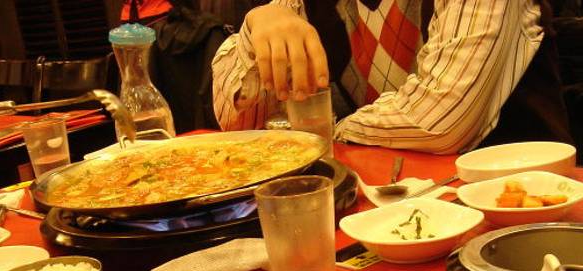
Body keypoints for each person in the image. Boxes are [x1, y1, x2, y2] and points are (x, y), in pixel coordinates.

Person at [212, 0, 573, 154]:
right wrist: (258, 23)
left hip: (520, 212)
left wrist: (326, 135)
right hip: (394, 211)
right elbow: (239, 126)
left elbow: (440, 121)